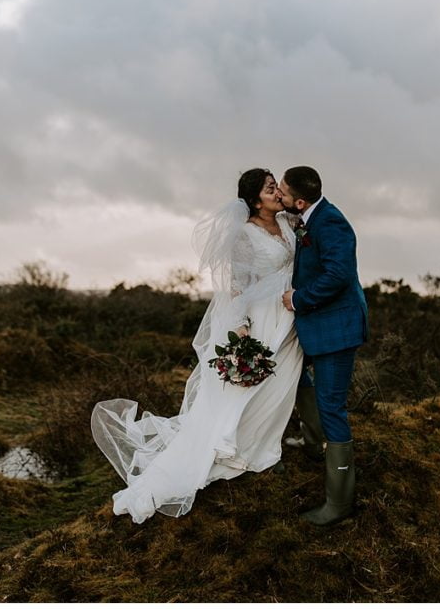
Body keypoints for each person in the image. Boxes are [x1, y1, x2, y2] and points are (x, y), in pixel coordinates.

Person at [91, 169, 303, 524]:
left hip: (288, 316)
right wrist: (242, 334)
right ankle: (233, 449)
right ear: (254, 199)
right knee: (250, 387)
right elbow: (235, 286)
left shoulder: (288, 222)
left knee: (281, 384)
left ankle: (264, 445)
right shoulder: (243, 234)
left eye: (276, 186)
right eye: (270, 188)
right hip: (261, 319)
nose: (276, 191)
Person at [280, 165, 368, 526]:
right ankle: (313, 443)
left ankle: (338, 503)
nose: (280, 197)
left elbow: (338, 275)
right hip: (317, 325)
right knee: (295, 375)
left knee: (332, 406)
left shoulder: (331, 223)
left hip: (337, 328)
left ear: (300, 200)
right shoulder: (307, 216)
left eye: (283, 193)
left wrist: (298, 299)